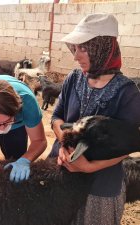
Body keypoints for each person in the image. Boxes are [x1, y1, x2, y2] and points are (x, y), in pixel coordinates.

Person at [49, 13, 140, 225]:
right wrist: (66, 143)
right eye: (76, 48)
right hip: (61, 169)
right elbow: (56, 116)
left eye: (84, 48)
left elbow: (126, 146)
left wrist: (88, 167)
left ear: (103, 47)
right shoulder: (73, 79)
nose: (76, 56)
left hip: (100, 182)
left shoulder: (128, 93)